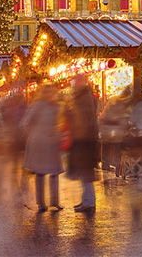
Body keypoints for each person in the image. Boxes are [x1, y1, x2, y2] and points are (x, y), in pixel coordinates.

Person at [21, 83, 63, 212]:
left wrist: (57, 132)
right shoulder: (37, 106)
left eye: (51, 92)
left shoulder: (56, 106)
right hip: (39, 144)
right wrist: (34, 134)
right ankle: (41, 203)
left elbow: (59, 122)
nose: (49, 95)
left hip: (52, 143)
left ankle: (55, 201)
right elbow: (25, 123)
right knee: (40, 173)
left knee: (54, 173)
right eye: (47, 92)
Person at [65, 75, 100, 213]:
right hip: (84, 139)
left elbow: (84, 120)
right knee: (84, 172)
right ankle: (86, 200)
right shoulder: (83, 97)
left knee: (86, 172)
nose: (73, 85)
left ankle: (89, 202)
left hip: (85, 140)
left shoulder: (83, 98)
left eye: (75, 82)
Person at [99, 88, 131, 177]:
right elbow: (122, 117)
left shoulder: (113, 99)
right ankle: (117, 166)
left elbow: (105, 113)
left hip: (106, 126)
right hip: (114, 128)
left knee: (106, 145)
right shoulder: (122, 102)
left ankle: (105, 164)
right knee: (117, 146)